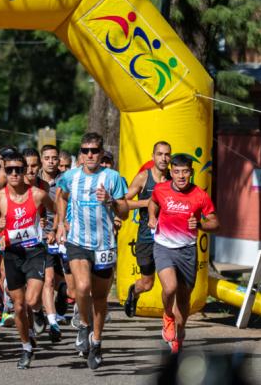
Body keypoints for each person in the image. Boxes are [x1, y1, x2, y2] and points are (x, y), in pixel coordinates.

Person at [55, 132, 128, 370]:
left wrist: (111, 200)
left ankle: (96, 341)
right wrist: (61, 223)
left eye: (94, 151)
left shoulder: (112, 177)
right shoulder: (70, 176)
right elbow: (61, 196)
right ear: (80, 153)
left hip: (105, 244)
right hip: (77, 241)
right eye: (85, 151)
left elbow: (124, 211)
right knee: (82, 287)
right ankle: (84, 325)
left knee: (99, 298)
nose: (89, 155)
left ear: (101, 153)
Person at [0, 152, 55, 369]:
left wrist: (54, 227)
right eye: (9, 170)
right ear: (4, 172)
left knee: (32, 300)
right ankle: (26, 346)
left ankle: (37, 312)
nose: (14, 174)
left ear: (25, 171)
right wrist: (0, 227)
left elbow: (57, 210)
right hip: (12, 254)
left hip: (34, 251)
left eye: (18, 169)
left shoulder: (38, 194)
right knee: (17, 306)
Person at [148, 154, 218, 354]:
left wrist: (201, 224)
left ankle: (180, 330)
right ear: (170, 172)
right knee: (170, 288)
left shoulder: (200, 195)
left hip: (187, 250)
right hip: (163, 246)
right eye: (177, 171)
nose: (181, 176)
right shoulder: (161, 189)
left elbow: (215, 223)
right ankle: (168, 317)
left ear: (191, 173)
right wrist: (152, 217)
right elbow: (153, 202)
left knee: (184, 298)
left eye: (185, 171)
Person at [124, 141, 172, 317]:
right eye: (160, 154)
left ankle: (169, 318)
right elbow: (124, 202)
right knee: (147, 283)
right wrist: (147, 202)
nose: (163, 158)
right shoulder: (144, 177)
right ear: (153, 157)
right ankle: (134, 292)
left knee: (170, 282)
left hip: (167, 239)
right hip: (146, 237)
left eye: (167, 154)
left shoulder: (173, 179)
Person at [36, 144, 65, 342]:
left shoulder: (66, 181)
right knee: (47, 281)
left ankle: (62, 297)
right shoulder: (34, 181)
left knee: (65, 285)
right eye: (47, 158)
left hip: (62, 236)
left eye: (54, 158)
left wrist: (58, 228)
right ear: (41, 160)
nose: (51, 162)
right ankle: (50, 320)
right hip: (39, 238)